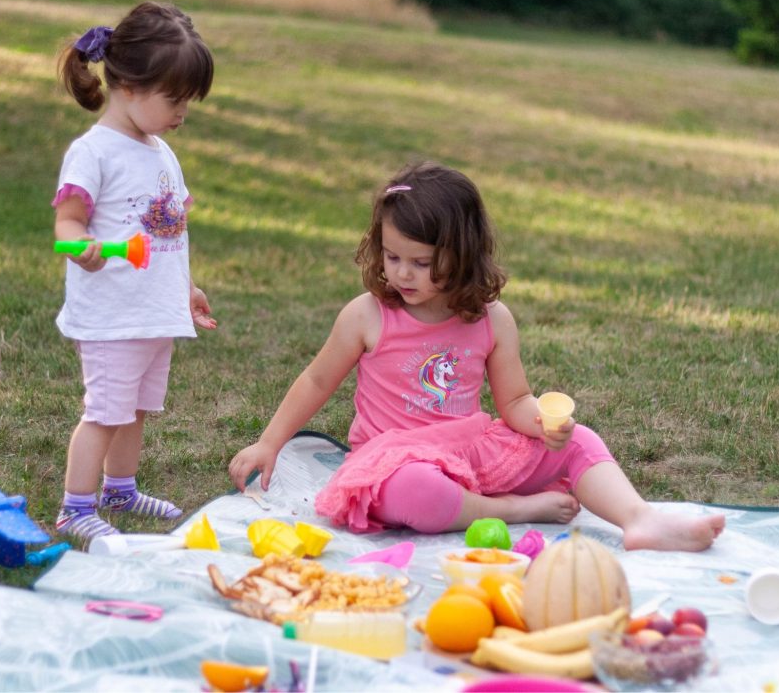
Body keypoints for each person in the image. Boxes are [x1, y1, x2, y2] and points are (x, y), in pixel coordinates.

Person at [229, 161, 725, 552]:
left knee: (579, 442)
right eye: (392, 256)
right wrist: (270, 443)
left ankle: (640, 520)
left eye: (421, 263)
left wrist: (543, 425)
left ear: (462, 255)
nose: (403, 274)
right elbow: (317, 381)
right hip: (393, 460)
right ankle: (513, 509)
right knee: (413, 493)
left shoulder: (490, 319)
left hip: (468, 450)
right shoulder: (368, 316)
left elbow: (514, 401)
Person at [52, 1, 217, 543]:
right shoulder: (93, 153)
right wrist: (85, 249)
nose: (182, 112)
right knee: (104, 412)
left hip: (152, 313)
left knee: (137, 410)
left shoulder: (162, 152)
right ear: (128, 86)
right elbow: (67, 226)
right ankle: (76, 508)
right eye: (174, 98)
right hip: (112, 316)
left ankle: (119, 489)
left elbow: (170, 233)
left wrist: (185, 287)